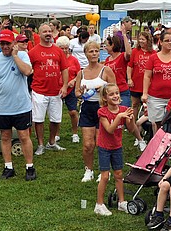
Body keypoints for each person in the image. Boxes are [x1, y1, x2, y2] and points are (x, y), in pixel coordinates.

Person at [0, 29, 36, 180]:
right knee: (5, 137)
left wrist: (15, 56)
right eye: (2, 43)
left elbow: (27, 71)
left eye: (8, 43)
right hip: (2, 106)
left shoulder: (23, 55)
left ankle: (29, 167)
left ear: (13, 43)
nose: (5, 46)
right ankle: (8, 167)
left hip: (21, 106)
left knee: (24, 136)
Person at [74, 41, 115, 183]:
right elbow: (77, 92)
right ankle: (88, 170)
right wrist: (82, 92)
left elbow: (114, 90)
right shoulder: (81, 72)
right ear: (85, 53)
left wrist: (102, 90)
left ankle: (105, 171)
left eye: (96, 51)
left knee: (101, 143)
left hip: (102, 108)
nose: (94, 54)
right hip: (87, 109)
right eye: (91, 51)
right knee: (87, 144)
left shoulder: (106, 70)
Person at [93, 84, 136, 216]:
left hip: (117, 146)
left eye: (117, 93)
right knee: (105, 176)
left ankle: (121, 202)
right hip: (104, 147)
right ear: (105, 98)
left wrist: (130, 119)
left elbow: (131, 129)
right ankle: (99, 204)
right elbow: (110, 130)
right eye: (111, 94)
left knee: (119, 174)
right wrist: (119, 117)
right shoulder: (102, 112)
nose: (115, 96)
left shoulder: (124, 109)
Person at [28, 23, 68, 155]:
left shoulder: (58, 51)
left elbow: (64, 69)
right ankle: (40, 144)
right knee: (38, 119)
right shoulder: (33, 52)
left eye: (50, 31)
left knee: (56, 119)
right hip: (39, 90)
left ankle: (51, 142)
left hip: (56, 91)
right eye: (44, 31)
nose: (48, 33)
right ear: (39, 34)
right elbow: (27, 69)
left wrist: (64, 86)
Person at [141, 31, 171, 127]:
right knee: (157, 123)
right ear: (161, 42)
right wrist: (145, 93)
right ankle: (156, 140)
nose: (170, 43)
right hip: (156, 97)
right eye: (167, 41)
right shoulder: (153, 58)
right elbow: (147, 76)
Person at [56, 36, 82, 144]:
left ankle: (75, 133)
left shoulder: (73, 59)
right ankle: (56, 134)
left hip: (71, 89)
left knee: (72, 112)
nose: (65, 50)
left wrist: (74, 81)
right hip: (58, 89)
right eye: (62, 48)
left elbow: (79, 73)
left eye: (66, 48)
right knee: (56, 113)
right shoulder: (56, 60)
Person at [129, 30, 154, 136]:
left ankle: (145, 126)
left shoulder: (153, 53)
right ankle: (133, 126)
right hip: (136, 83)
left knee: (147, 106)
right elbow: (130, 66)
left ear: (148, 41)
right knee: (135, 105)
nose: (140, 41)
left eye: (143, 39)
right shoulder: (135, 51)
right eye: (139, 39)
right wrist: (129, 78)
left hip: (148, 85)